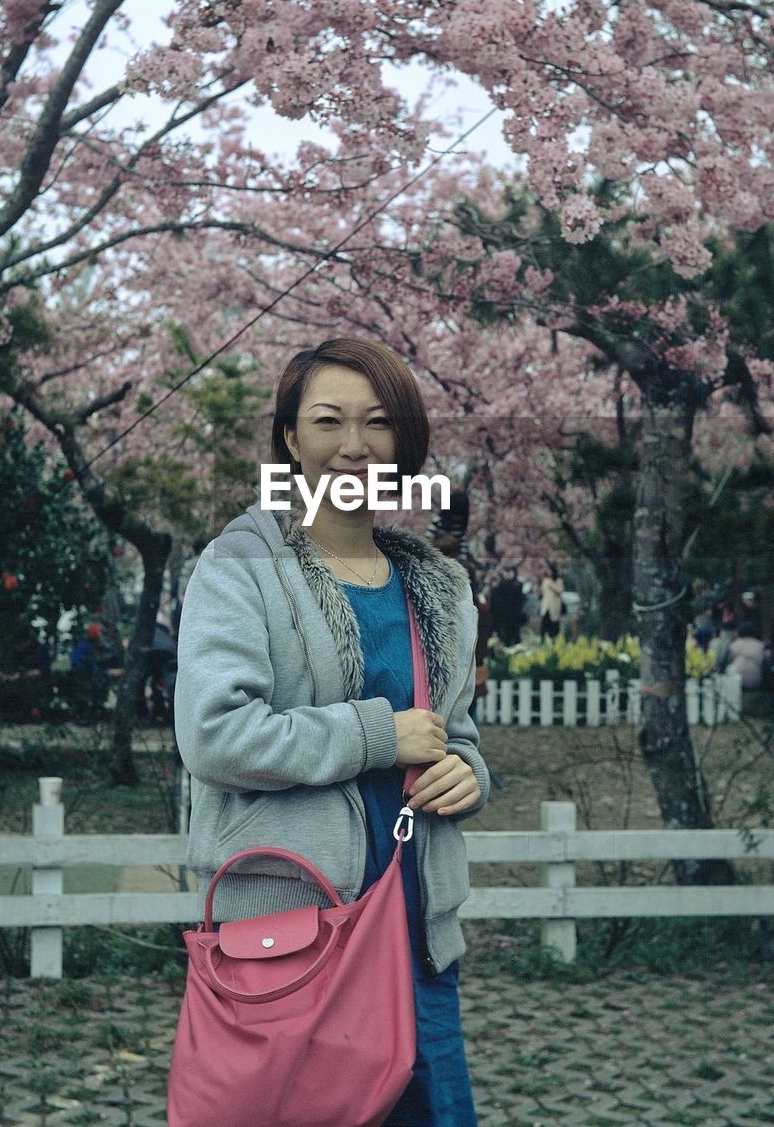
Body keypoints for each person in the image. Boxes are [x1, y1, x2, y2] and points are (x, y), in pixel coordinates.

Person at [175, 337, 489, 1126]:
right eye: (329, 421)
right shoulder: (241, 565)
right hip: (295, 940)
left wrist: (469, 774)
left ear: (404, 441)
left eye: (379, 423)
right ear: (289, 438)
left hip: (418, 938)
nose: (355, 446)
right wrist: (376, 737)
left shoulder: (439, 585)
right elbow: (215, 734)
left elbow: (455, 734)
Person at [490, 566, 525, 646]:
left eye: (510, 572)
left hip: (514, 617)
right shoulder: (500, 586)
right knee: (505, 639)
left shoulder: (517, 585)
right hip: (504, 617)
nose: (508, 574)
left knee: (514, 638)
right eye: (506, 572)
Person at [539, 563, 564, 639]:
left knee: (554, 626)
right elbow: (542, 592)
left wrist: (551, 585)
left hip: (554, 607)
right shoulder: (545, 581)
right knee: (543, 626)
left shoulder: (558, 581)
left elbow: (559, 591)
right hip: (546, 607)